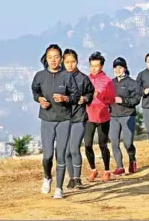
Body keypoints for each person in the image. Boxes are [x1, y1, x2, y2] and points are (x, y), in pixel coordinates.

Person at [31, 44, 79, 199]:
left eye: (56, 57)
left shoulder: (67, 76)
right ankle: (47, 177)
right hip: (47, 119)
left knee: (61, 154)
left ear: (61, 59)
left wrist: (66, 98)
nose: (53, 60)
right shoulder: (39, 76)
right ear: (46, 58)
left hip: (64, 119)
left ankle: (59, 188)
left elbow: (75, 97)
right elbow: (35, 91)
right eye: (50, 57)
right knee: (47, 155)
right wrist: (39, 99)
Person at [63, 49, 95, 189]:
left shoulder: (83, 78)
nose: (70, 65)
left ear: (77, 61)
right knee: (66, 151)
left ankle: (77, 178)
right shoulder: (60, 77)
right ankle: (71, 178)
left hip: (79, 117)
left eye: (73, 62)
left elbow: (90, 92)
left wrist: (86, 98)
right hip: (63, 119)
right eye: (67, 62)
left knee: (74, 148)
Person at [84, 51, 116, 182]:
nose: (94, 68)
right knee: (87, 144)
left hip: (103, 116)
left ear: (102, 66)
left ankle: (107, 170)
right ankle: (93, 169)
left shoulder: (107, 81)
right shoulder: (86, 79)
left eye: (96, 66)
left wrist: (99, 95)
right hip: (88, 116)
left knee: (103, 145)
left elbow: (112, 99)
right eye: (92, 66)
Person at [109, 57, 141, 175]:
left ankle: (132, 159)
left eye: (120, 67)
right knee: (114, 141)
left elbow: (136, 100)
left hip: (128, 115)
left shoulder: (132, 83)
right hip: (113, 116)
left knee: (127, 143)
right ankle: (120, 166)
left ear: (125, 68)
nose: (117, 70)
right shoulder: (110, 83)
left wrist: (122, 100)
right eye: (115, 67)